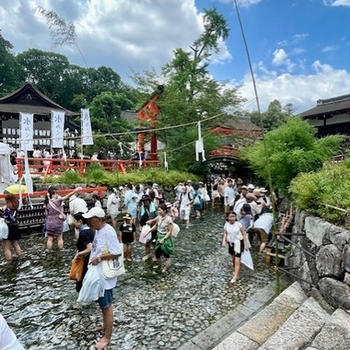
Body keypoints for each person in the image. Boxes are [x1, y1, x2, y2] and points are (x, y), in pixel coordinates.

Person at [83, 207, 122, 349]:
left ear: (99, 219)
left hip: (105, 276)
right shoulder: (99, 230)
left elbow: (117, 252)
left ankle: (107, 337)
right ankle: (106, 326)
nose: (88, 222)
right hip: (99, 275)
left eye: (90, 219)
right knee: (103, 304)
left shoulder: (109, 231)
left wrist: (99, 258)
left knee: (106, 306)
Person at [222, 211, 249, 283]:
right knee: (233, 259)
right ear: (228, 217)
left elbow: (244, 234)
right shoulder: (226, 225)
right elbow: (225, 233)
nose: (232, 218)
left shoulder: (239, 224)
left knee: (237, 260)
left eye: (233, 216)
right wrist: (224, 241)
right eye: (230, 216)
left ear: (235, 217)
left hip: (238, 243)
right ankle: (235, 270)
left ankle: (235, 276)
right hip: (231, 243)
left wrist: (246, 244)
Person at [147, 203, 173, 273]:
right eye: (158, 210)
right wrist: (149, 231)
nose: (158, 211)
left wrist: (164, 239)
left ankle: (166, 267)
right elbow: (156, 226)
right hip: (158, 236)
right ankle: (159, 265)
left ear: (164, 211)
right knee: (157, 252)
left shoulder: (169, 219)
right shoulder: (159, 217)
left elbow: (169, 232)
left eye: (160, 210)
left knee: (166, 254)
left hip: (165, 238)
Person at [72, 212, 95, 292]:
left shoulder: (83, 233)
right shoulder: (91, 230)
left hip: (84, 260)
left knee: (80, 283)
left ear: (80, 221)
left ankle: (81, 302)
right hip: (91, 259)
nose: (73, 223)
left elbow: (89, 248)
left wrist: (78, 254)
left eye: (75, 221)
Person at [1, 193, 21, 262]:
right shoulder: (16, 209)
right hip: (15, 227)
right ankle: (20, 256)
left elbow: (7, 218)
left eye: (7, 202)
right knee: (15, 244)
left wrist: (3, 210)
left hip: (8, 228)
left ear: (9, 201)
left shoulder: (7, 210)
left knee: (6, 247)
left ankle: (9, 261)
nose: (6, 203)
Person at [139, 194, 157, 261]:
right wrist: (140, 226)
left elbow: (159, 217)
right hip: (146, 227)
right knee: (147, 242)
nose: (145, 202)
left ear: (149, 201)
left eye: (146, 201)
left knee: (155, 242)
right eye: (143, 201)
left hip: (154, 227)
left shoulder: (155, 207)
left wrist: (152, 221)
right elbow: (140, 218)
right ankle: (147, 254)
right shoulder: (142, 208)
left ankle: (156, 256)